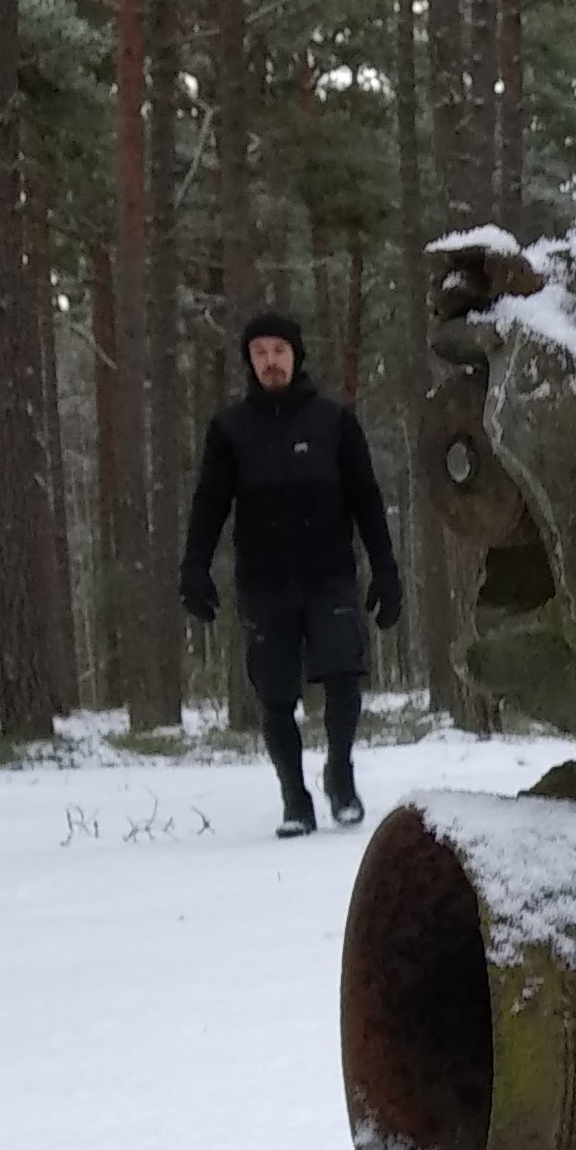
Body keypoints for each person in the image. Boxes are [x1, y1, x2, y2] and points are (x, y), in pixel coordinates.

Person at [181, 309, 404, 836]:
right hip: (264, 582)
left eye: (278, 351)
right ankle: (294, 799)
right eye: (259, 353)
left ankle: (340, 776)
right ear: (249, 361)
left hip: (329, 573)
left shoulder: (333, 421)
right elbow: (210, 503)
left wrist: (385, 569)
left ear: (296, 355)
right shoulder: (230, 430)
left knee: (344, 674)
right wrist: (194, 567)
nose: (270, 361)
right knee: (275, 693)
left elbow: (366, 499)